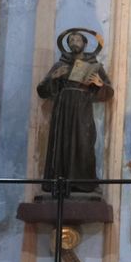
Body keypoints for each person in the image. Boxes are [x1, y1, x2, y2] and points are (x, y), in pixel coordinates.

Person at [37, 29, 113, 196]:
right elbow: (42, 90)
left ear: (84, 44)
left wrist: (99, 84)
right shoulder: (60, 65)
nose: (74, 42)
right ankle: (60, 182)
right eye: (71, 40)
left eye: (78, 40)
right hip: (63, 109)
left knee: (84, 142)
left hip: (82, 109)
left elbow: (109, 91)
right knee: (61, 143)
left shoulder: (94, 66)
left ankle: (84, 182)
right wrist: (54, 78)